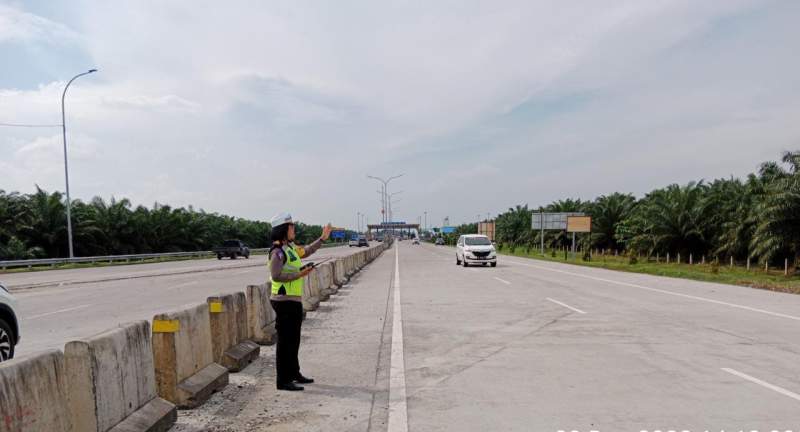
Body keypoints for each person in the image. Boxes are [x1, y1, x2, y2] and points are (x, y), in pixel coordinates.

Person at [268, 212, 332, 391]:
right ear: (283, 229)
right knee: (285, 341)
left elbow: (307, 250)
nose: (294, 230)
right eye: (291, 227)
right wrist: (300, 274)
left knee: (294, 339)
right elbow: (276, 275)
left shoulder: (290, 248)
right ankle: (282, 380)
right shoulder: (278, 251)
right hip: (283, 301)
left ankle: (294, 373)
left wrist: (322, 238)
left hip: (293, 300)